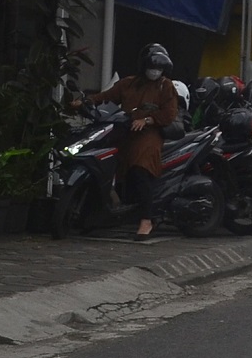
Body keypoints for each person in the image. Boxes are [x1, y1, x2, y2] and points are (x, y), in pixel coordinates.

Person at [72, 44, 178, 240]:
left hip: (149, 134)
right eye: (152, 67)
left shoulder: (166, 86)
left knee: (140, 168)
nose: (155, 71)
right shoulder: (128, 84)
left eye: (159, 68)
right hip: (124, 131)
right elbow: (106, 97)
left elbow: (169, 114)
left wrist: (147, 120)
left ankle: (146, 219)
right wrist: (86, 102)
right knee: (104, 164)